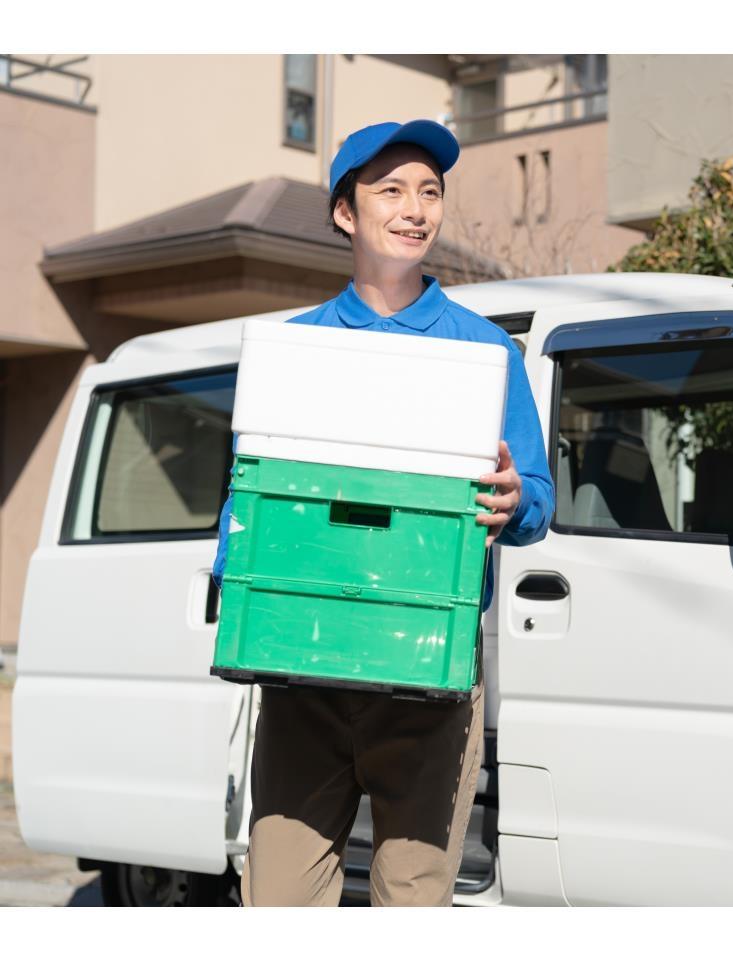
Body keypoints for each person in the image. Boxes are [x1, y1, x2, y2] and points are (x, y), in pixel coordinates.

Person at [211, 120, 553, 907]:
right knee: (282, 897)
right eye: (391, 189)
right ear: (345, 213)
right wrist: (238, 584)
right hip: (305, 663)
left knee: (413, 895)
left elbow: (535, 497)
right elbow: (250, 496)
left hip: (431, 660)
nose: (414, 208)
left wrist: (515, 497)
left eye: (430, 191)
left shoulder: (485, 351)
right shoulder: (295, 348)